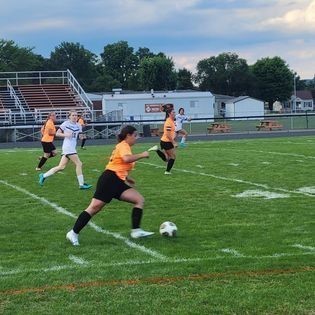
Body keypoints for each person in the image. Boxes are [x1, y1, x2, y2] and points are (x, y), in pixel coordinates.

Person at [66, 125, 154, 245]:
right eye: (135, 135)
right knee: (94, 208)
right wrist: (142, 155)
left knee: (139, 200)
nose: (136, 138)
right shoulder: (123, 145)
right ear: (128, 136)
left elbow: (118, 164)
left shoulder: (124, 146)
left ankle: (136, 231)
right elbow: (126, 159)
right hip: (109, 180)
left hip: (117, 180)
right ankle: (73, 233)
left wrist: (127, 178)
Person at [38, 110, 92, 190]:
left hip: (72, 147)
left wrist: (82, 136)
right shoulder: (66, 124)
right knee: (79, 164)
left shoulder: (79, 125)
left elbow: (80, 135)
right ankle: (81, 184)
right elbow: (57, 133)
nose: (74, 117)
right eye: (73, 115)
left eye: (76, 115)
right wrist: (65, 134)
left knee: (61, 167)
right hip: (68, 147)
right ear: (69, 116)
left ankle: (43, 175)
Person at [149, 104, 177, 175]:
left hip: (165, 141)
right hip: (166, 142)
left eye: (174, 112)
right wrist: (173, 142)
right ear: (169, 114)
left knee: (167, 158)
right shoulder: (168, 121)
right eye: (173, 112)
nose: (175, 113)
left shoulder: (171, 120)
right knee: (172, 157)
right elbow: (167, 134)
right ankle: (167, 171)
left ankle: (157, 150)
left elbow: (171, 132)